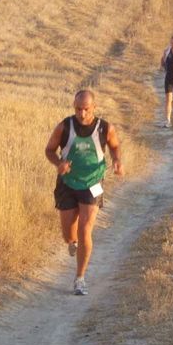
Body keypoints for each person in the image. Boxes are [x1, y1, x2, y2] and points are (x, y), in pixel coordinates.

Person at [45, 89, 124, 295]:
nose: (82, 113)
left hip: (93, 183)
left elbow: (115, 147)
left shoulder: (105, 128)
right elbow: (49, 150)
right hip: (67, 183)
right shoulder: (65, 126)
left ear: (94, 108)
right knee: (68, 234)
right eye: (78, 109)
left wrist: (116, 160)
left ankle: (80, 278)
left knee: (85, 229)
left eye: (86, 109)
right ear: (74, 107)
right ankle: (72, 243)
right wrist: (59, 163)